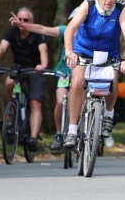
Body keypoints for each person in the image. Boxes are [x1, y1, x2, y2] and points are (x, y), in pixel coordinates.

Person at [63, 0, 125, 149]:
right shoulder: (88, 5)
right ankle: (72, 132)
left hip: (108, 52)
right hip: (83, 49)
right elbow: (70, 29)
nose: (109, 0)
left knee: (112, 81)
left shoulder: (121, 7)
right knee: (77, 82)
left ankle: (108, 115)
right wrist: (69, 52)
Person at [8, 8, 81, 150]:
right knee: (61, 103)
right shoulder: (65, 31)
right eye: (74, 21)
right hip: (64, 74)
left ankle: (83, 131)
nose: (77, 24)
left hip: (83, 76)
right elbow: (43, 29)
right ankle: (59, 134)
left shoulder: (91, 34)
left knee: (81, 104)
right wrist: (22, 25)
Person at [0, 7, 48, 152]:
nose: (21, 22)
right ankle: (12, 109)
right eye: (19, 19)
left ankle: (33, 138)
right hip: (18, 67)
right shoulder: (12, 32)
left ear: (31, 21)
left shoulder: (37, 33)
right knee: (9, 82)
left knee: (34, 103)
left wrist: (43, 65)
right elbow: (1, 48)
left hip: (35, 69)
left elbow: (43, 51)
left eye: (25, 20)